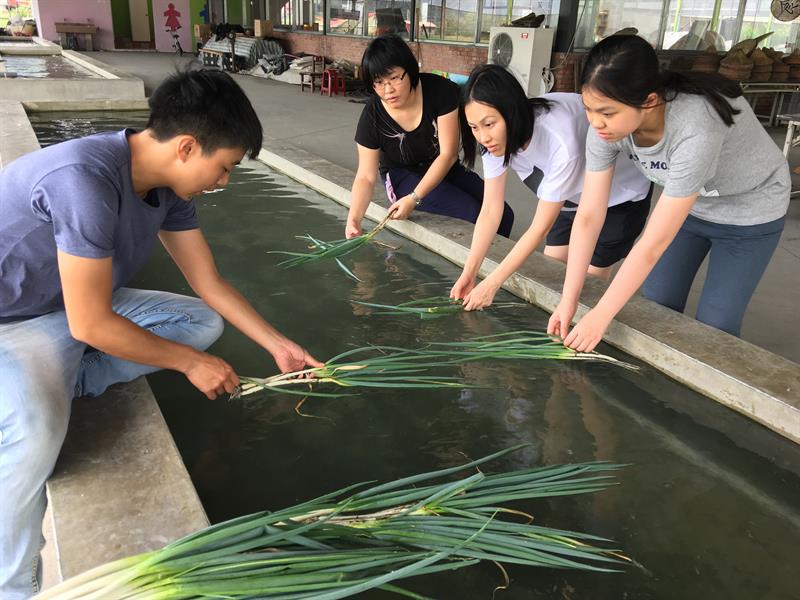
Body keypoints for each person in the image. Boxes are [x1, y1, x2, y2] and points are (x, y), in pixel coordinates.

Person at [0, 68, 321, 599]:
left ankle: (72, 377)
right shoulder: (84, 180)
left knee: (200, 322)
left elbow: (207, 281)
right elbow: (91, 323)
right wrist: (189, 364)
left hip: (73, 302)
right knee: (35, 434)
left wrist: (279, 346)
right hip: (15, 318)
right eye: (225, 167)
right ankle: (12, 584)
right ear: (189, 147)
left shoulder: (169, 188)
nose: (224, 181)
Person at [548, 34, 790, 351]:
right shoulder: (605, 129)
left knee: (715, 325)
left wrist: (601, 314)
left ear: (649, 101)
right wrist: (570, 299)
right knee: (658, 302)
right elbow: (589, 216)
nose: (596, 123)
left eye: (607, 113)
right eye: (589, 109)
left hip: (751, 211)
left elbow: (653, 243)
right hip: (691, 205)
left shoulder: (694, 128)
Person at [451, 64, 651, 310]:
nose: (483, 137)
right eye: (474, 127)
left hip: (618, 198)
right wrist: (469, 273)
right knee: (552, 271)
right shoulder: (493, 140)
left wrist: (492, 284)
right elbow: (491, 209)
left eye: (489, 124)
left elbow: (539, 228)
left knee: (588, 283)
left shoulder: (559, 140)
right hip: (568, 197)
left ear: (511, 112)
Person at [346, 34, 514, 240]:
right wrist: (354, 219)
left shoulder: (439, 90)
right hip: (402, 175)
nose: (388, 90)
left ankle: (491, 261)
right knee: (473, 213)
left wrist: (415, 198)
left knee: (504, 214)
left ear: (410, 70)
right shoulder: (372, 116)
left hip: (444, 166)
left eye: (394, 78)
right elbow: (365, 176)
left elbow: (448, 154)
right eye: (378, 83)